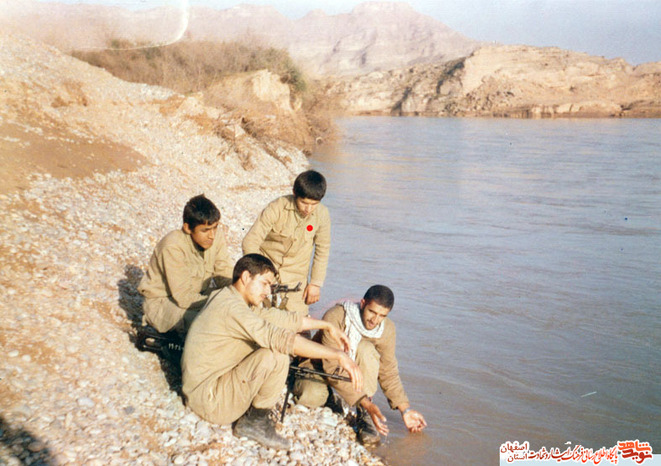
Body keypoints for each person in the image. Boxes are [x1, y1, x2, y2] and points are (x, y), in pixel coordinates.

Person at [181, 254, 362, 450]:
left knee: (273, 346)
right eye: (264, 283)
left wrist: (326, 326)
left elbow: (278, 318)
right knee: (277, 355)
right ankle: (254, 423)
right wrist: (338, 355)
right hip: (210, 402)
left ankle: (253, 417)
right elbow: (283, 340)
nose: (268, 292)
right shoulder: (233, 309)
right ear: (245, 277)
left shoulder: (227, 296)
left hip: (201, 391)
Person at [293, 285, 427, 446]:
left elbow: (388, 371)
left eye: (382, 316)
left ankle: (364, 414)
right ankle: (333, 397)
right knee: (310, 397)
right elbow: (331, 367)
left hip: (351, 370)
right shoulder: (336, 316)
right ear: (363, 304)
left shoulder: (387, 329)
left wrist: (405, 409)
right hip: (320, 365)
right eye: (372, 312)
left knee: (366, 350)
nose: (375, 320)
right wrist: (365, 402)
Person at [138, 194, 233, 334]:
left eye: (215, 227)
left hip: (198, 295)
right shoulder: (173, 247)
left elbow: (224, 272)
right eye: (205, 230)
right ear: (188, 228)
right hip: (165, 303)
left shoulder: (215, 236)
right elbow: (183, 297)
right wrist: (221, 302)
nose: (212, 235)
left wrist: (237, 293)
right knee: (215, 324)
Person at [242, 170, 330, 316]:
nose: (308, 209)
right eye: (304, 203)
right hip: (265, 275)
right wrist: (260, 275)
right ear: (295, 193)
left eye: (314, 204)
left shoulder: (322, 215)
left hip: (296, 283)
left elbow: (322, 250)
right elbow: (250, 242)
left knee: (299, 325)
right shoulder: (277, 208)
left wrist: (315, 283)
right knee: (254, 319)